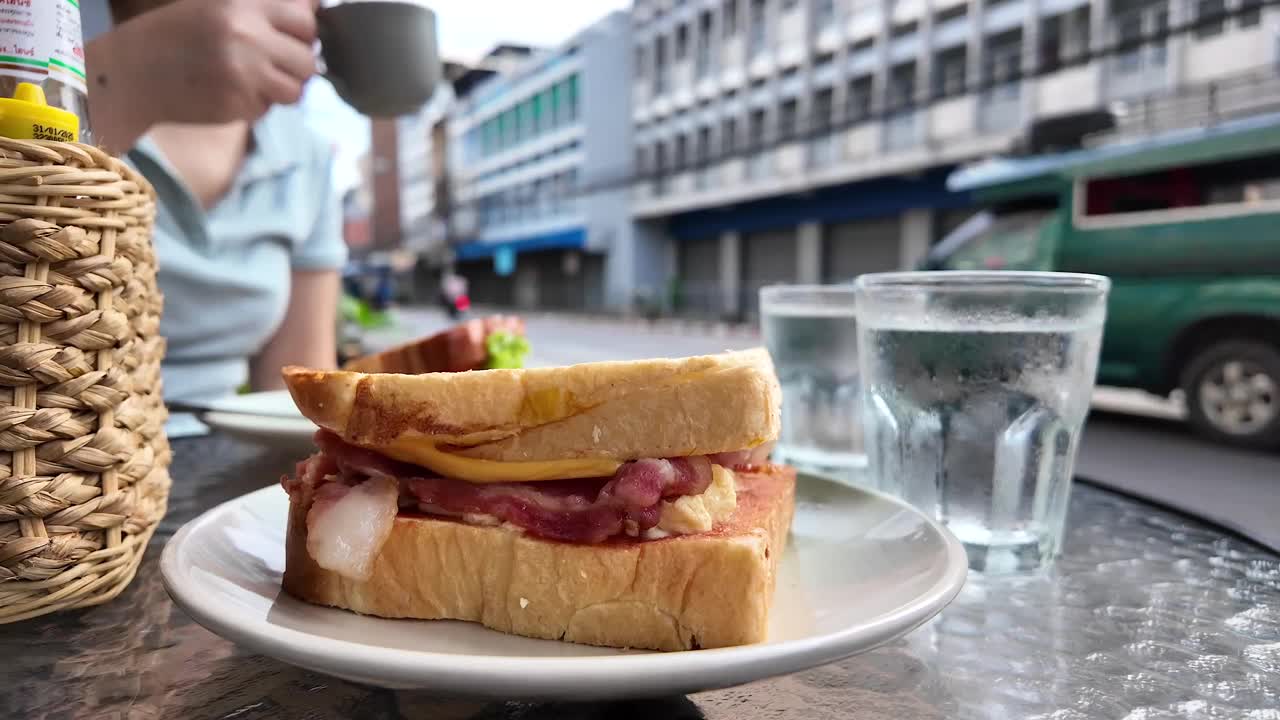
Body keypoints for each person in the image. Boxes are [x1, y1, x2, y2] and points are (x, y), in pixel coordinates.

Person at [83, 0, 345, 403]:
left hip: (219, 456)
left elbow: (299, 390)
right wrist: (125, 75)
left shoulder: (306, 154)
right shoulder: (35, 66)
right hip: (48, 443)